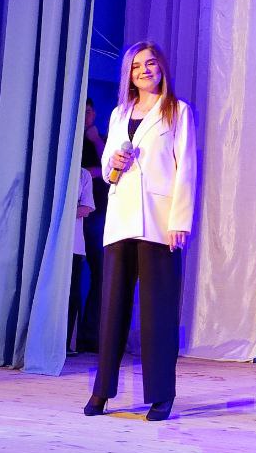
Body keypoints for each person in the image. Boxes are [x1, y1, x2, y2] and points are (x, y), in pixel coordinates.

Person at [84, 41, 197, 421]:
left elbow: (186, 168)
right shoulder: (119, 114)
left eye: (150, 64)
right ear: (129, 76)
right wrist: (114, 162)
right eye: (136, 67)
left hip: (159, 222)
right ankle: (102, 390)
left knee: (157, 313)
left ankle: (161, 394)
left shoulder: (177, 111)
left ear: (161, 67)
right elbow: (109, 173)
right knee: (112, 310)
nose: (144, 70)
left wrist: (179, 221)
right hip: (121, 221)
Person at [78, 98, 108, 352]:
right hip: (79, 214)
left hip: (100, 213)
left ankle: (91, 336)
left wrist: (96, 139)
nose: (87, 116)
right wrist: (91, 172)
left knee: (102, 273)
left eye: (89, 111)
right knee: (74, 273)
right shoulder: (71, 139)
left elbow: (110, 170)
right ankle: (70, 335)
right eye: (83, 112)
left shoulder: (102, 139)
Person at [66, 137, 97, 354]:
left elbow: (86, 208)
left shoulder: (83, 175)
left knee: (72, 293)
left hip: (74, 245)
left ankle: (66, 342)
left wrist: (65, 212)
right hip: (53, 244)